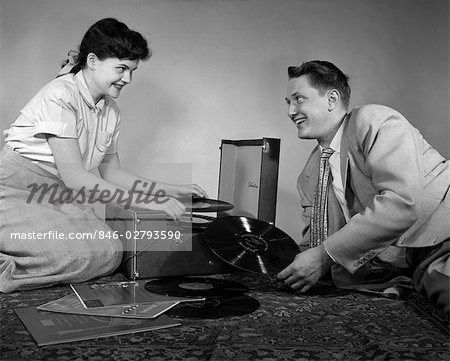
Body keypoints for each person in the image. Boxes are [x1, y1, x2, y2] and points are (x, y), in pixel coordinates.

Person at [0, 18, 207, 293]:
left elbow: (112, 172)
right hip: (13, 194)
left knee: (108, 253)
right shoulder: (59, 95)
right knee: (64, 255)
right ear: (93, 61)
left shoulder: (111, 110)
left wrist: (172, 190)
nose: (128, 79)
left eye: (132, 70)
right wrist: (149, 203)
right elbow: (75, 177)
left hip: (55, 197)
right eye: (121, 69)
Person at [277, 60, 450, 313]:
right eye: (288, 103)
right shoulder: (311, 170)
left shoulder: (374, 120)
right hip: (398, 261)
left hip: (441, 234)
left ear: (332, 99)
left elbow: (401, 202)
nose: (291, 111)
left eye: (299, 99)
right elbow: (315, 239)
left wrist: (324, 256)